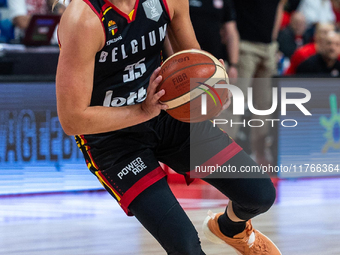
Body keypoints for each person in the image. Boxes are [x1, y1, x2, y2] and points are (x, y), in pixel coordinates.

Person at [56, 0, 282, 254]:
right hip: (113, 139)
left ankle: (231, 229)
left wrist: (212, 88)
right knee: (184, 245)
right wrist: (141, 111)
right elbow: (72, 119)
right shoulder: (84, 19)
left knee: (259, 195)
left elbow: (192, 59)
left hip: (166, 113)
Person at [228, 0, 287, 166]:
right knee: (235, 102)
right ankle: (221, 156)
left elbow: (279, 6)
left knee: (264, 105)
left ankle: (260, 153)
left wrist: (273, 41)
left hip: (268, 48)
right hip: (245, 45)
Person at [189, 0, 239, 80]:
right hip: (189, 61)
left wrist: (233, 64)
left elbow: (231, 33)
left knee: (215, 92)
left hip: (216, 60)